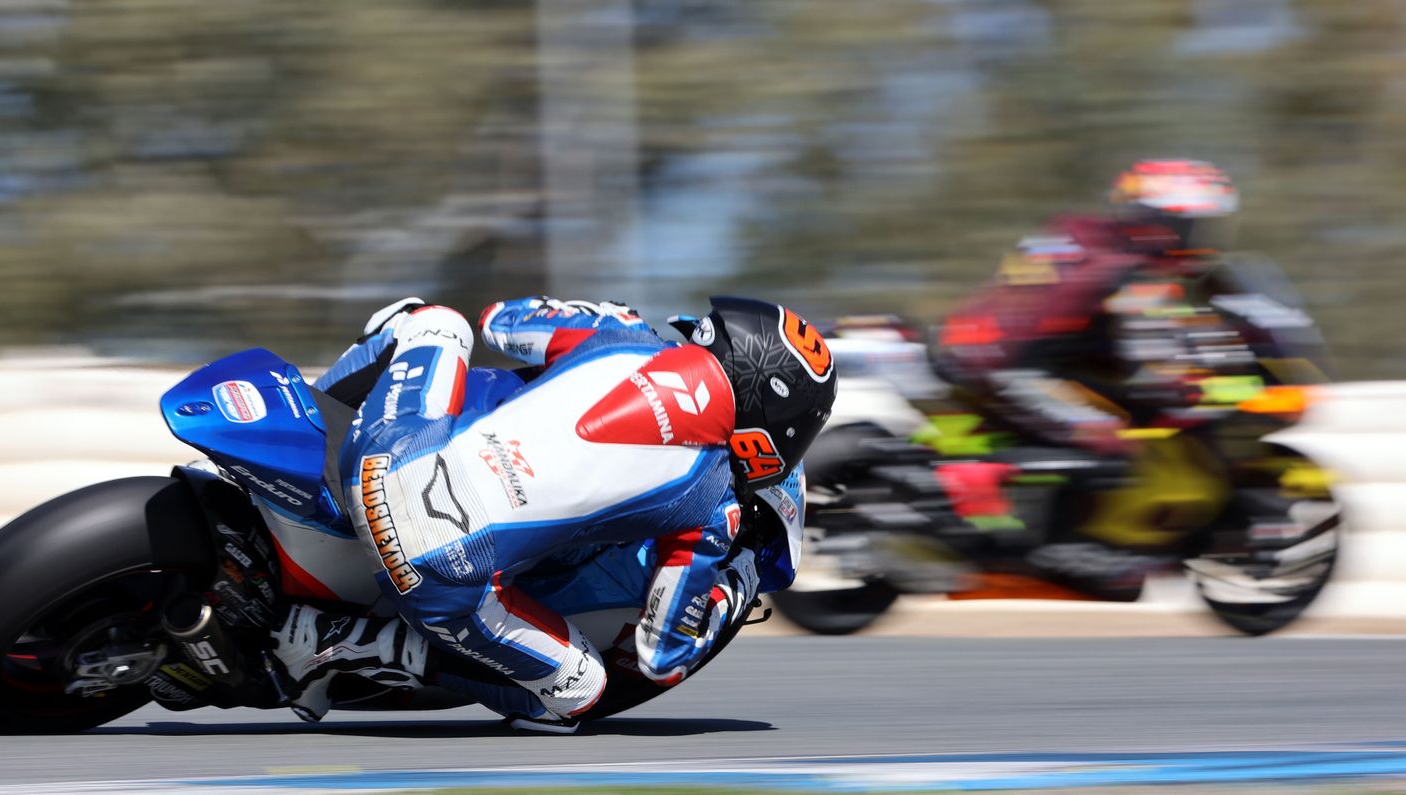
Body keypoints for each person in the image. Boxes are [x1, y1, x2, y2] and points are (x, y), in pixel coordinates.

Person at [270, 295, 836, 731]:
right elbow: (660, 656)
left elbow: (498, 321)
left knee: (436, 321)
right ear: (771, 412)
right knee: (581, 691)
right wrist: (733, 585)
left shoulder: (623, 334)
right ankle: (333, 643)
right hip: (428, 563)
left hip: (382, 452)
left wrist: (595, 314)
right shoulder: (715, 502)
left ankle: (305, 422)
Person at [928, 159, 1328, 592]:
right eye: (1194, 227)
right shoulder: (1132, 272)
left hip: (987, 354)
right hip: (1010, 370)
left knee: (1112, 418)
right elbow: (1149, 365)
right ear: (1159, 222)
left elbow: (1111, 339)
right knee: (1110, 434)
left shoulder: (1083, 240)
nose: (1202, 240)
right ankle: (1054, 542)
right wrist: (1206, 389)